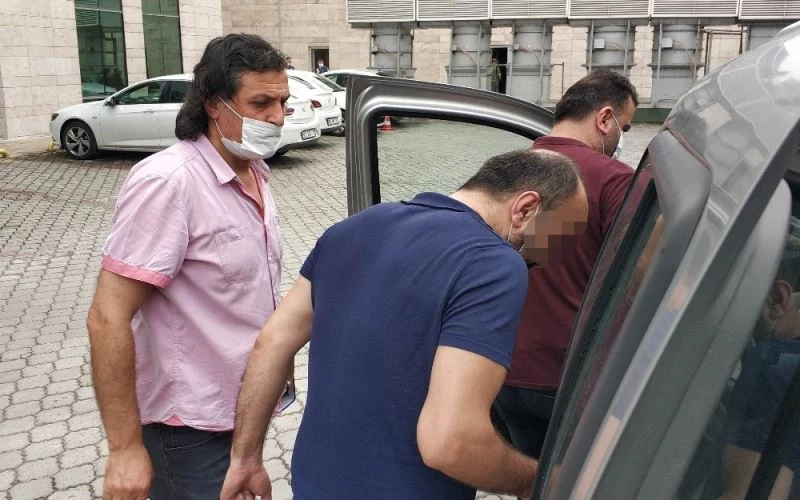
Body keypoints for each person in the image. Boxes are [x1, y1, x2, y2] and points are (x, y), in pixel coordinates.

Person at [220, 149, 589, 499]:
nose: (550, 259)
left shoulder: (352, 228)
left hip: (313, 483)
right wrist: (535, 479)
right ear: (526, 208)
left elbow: (271, 342)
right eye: (558, 238)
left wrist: (245, 460)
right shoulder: (494, 264)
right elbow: (450, 441)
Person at [86, 33, 289, 499]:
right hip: (188, 431)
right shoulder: (169, 182)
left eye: (283, 102)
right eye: (261, 103)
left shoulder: (254, 170)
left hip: (240, 417)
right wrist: (124, 449)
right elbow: (107, 316)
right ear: (215, 105)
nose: (277, 117)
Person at [493, 68, 639, 459]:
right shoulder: (615, 179)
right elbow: (642, 275)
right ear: (604, 119)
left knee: (529, 476)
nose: (621, 136)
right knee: (571, 478)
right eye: (624, 126)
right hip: (567, 377)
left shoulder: (507, 170)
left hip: (501, 371)